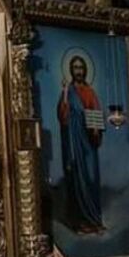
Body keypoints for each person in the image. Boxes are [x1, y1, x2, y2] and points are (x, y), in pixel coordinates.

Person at [55, 53, 106, 235]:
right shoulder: (67, 92)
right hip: (73, 143)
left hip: (88, 144)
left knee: (91, 178)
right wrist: (67, 93)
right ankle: (80, 222)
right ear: (71, 70)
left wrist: (95, 130)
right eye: (75, 68)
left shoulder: (90, 92)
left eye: (81, 68)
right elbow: (63, 116)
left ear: (85, 70)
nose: (79, 71)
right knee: (77, 178)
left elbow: (96, 115)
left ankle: (94, 219)